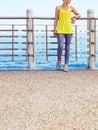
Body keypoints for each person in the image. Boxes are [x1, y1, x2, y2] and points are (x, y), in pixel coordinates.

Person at [54, 0, 80, 71]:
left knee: (67, 48)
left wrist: (74, 17)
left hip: (69, 30)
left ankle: (66, 65)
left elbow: (79, 14)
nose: (69, 0)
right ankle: (59, 60)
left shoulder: (71, 7)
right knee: (60, 45)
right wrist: (54, 29)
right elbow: (56, 19)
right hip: (60, 29)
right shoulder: (58, 8)